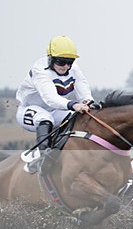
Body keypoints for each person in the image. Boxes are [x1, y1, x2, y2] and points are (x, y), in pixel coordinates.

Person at [16, 35, 96, 173]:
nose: (66, 66)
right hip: (29, 110)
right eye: (61, 62)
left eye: (70, 62)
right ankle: (42, 156)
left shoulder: (74, 69)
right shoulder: (40, 69)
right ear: (51, 58)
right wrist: (74, 105)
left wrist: (88, 101)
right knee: (45, 118)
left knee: (76, 117)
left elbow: (82, 88)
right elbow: (50, 98)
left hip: (54, 111)